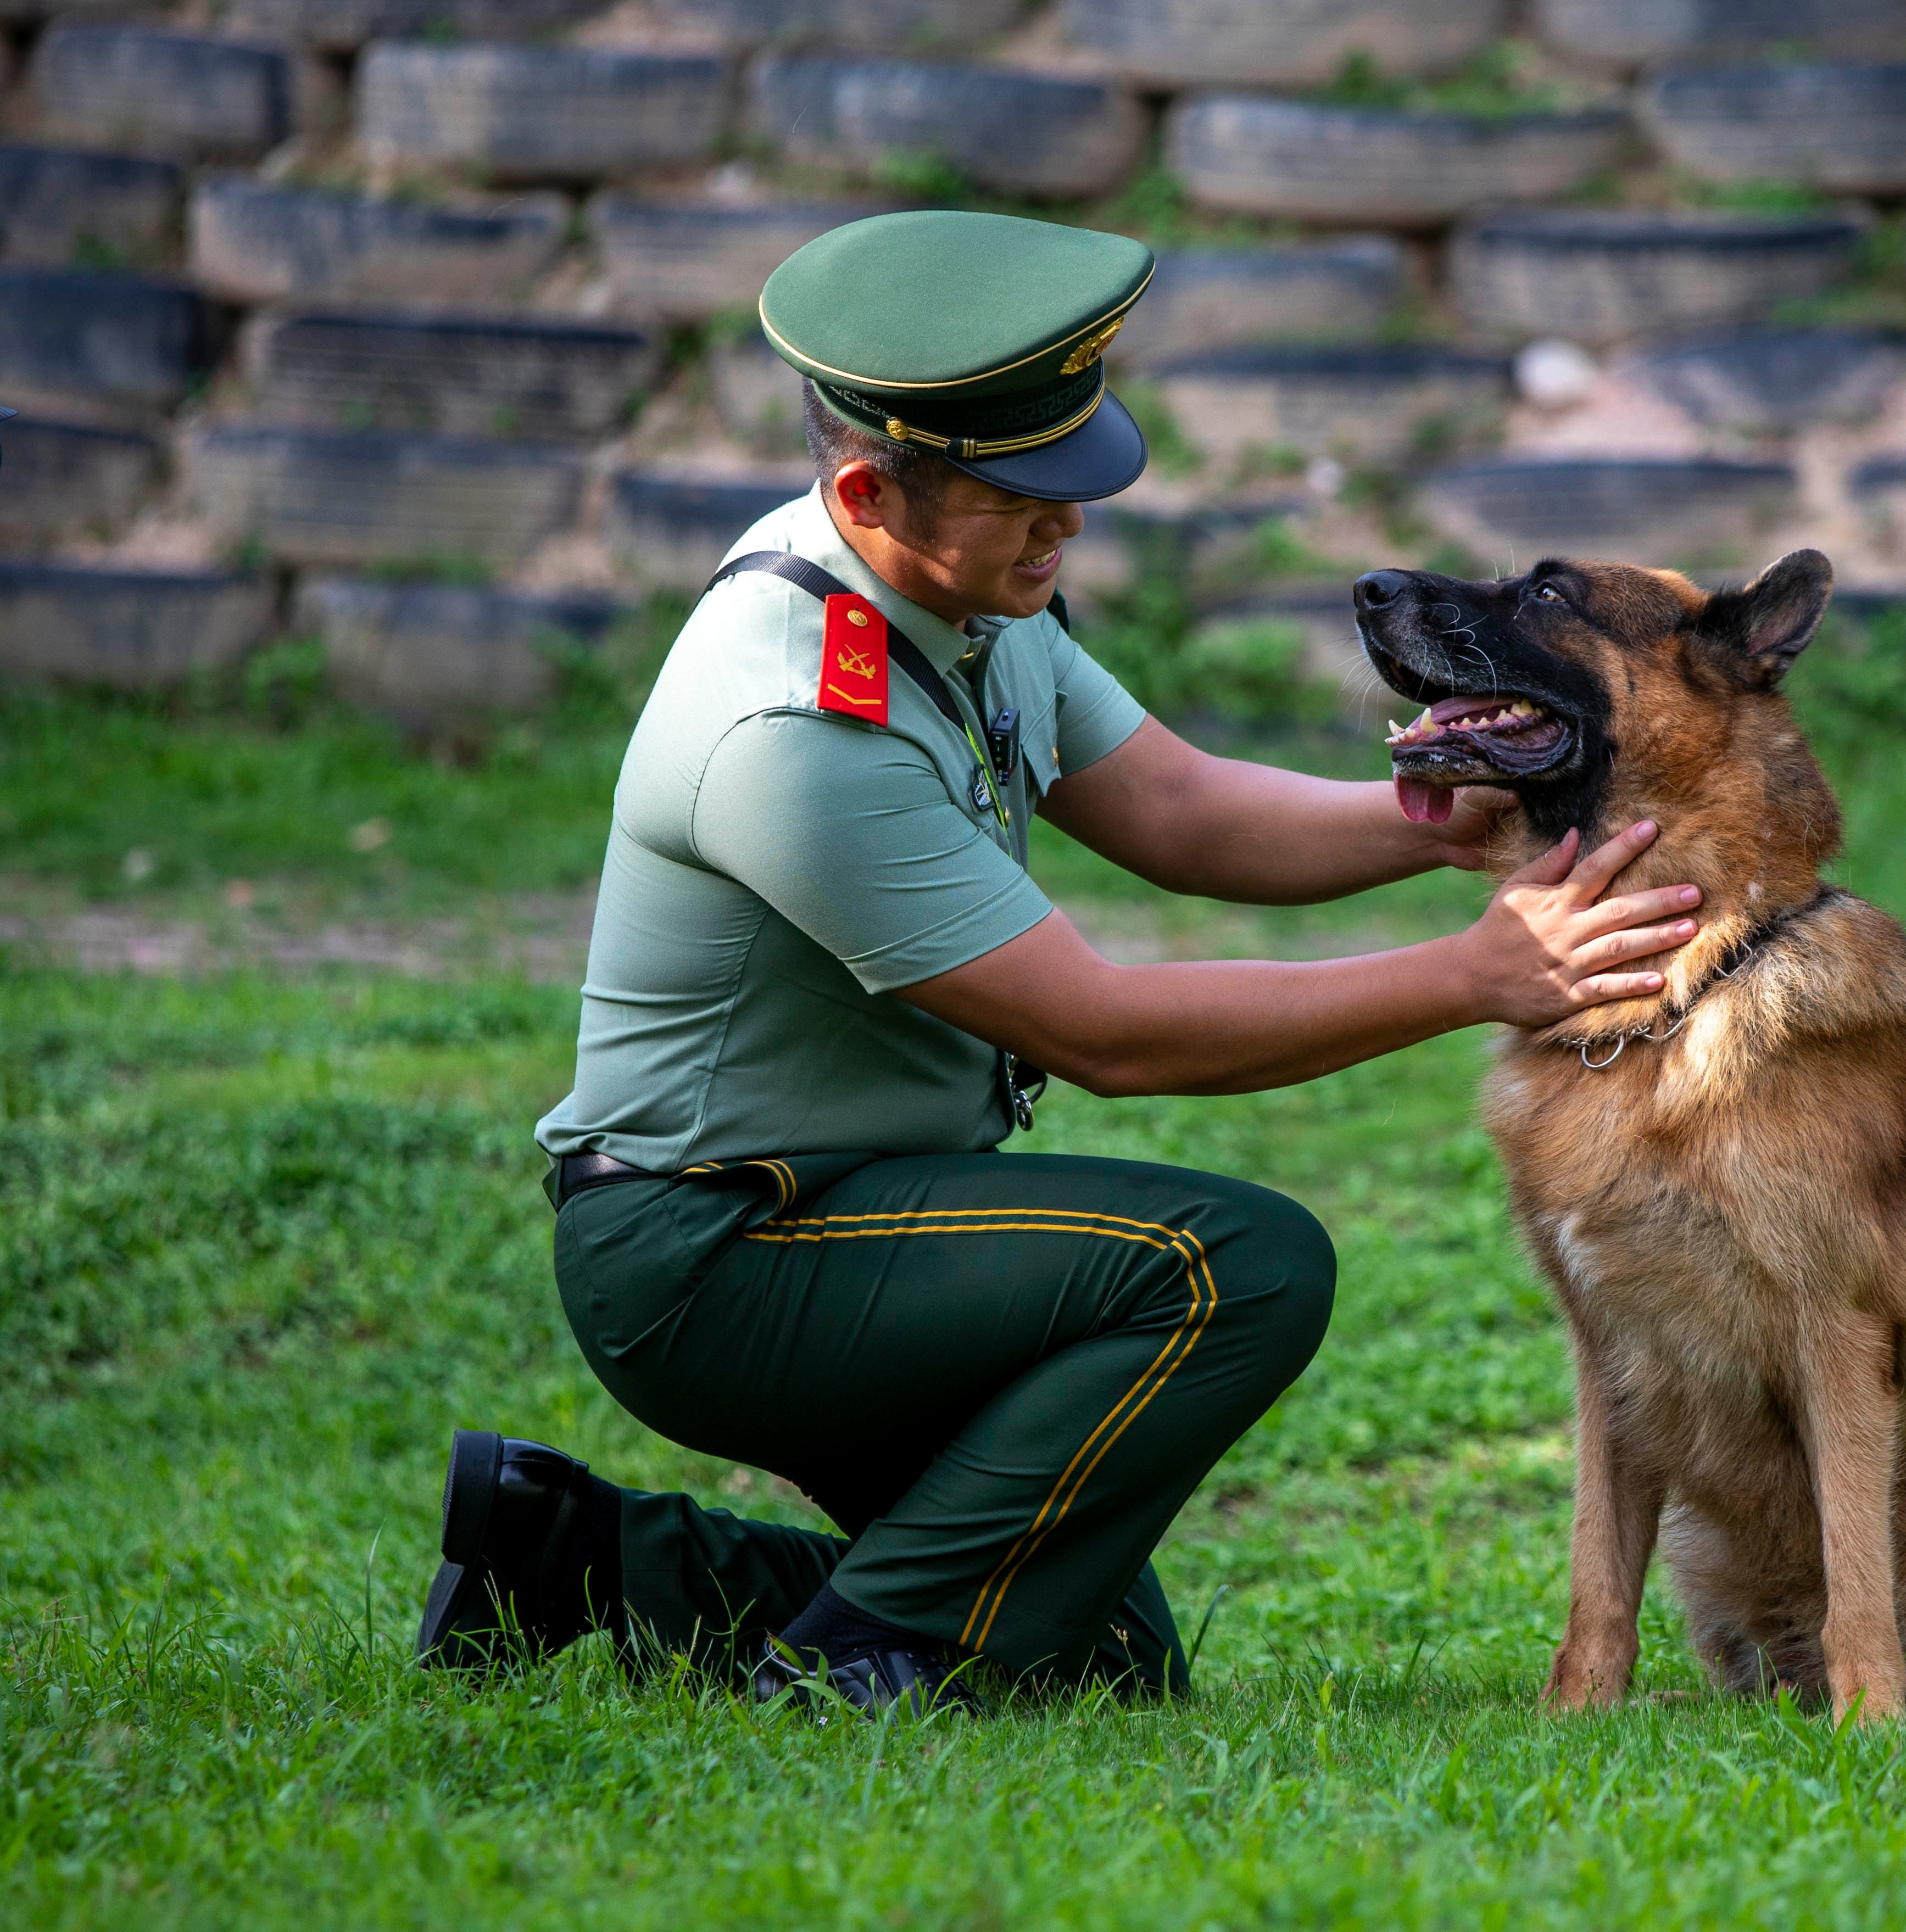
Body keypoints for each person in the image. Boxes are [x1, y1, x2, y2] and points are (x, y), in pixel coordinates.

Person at [415, 210, 1704, 1714]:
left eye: (1071, 485)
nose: (1067, 526)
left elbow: (1174, 806)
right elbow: (1110, 1035)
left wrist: (1436, 825)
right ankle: (856, 1669)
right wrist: (1473, 976)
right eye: (1023, 498)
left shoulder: (947, 592)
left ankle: (568, 1556)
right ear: (865, 489)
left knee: (1091, 1660)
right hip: (720, 1258)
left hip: (868, 1217)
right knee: (1234, 1263)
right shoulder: (792, 735)